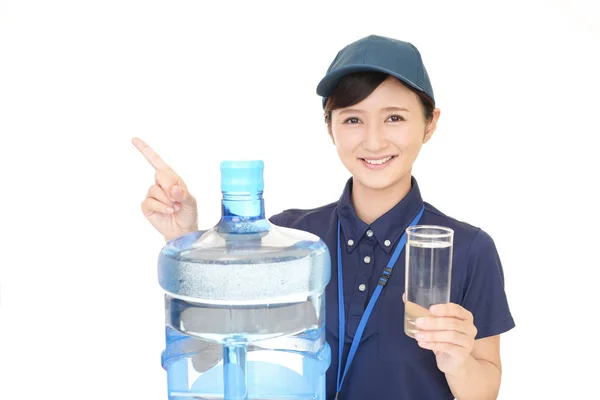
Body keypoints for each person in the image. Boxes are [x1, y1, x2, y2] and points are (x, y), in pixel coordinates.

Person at [132, 34, 515, 400]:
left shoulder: (467, 248)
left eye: (395, 118)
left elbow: (486, 388)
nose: (374, 140)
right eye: (352, 119)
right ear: (330, 127)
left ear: (430, 123)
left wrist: (459, 362)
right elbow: (209, 356)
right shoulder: (290, 240)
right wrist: (185, 243)